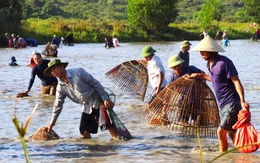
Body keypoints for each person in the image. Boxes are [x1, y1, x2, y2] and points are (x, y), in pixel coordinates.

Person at [190, 35, 249, 152]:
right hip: (222, 104)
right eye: (200, 52)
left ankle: (222, 157)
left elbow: (236, 81)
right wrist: (200, 76)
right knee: (232, 133)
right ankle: (241, 153)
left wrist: (242, 100)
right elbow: (215, 79)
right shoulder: (210, 64)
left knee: (220, 131)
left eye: (204, 51)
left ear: (212, 51)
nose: (201, 54)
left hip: (232, 103)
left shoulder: (224, 62)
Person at [43, 59, 117, 139]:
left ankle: (117, 142)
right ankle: (90, 149)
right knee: (83, 130)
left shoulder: (78, 72)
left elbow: (95, 83)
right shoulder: (60, 87)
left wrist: (105, 98)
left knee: (108, 124)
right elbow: (58, 105)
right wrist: (51, 123)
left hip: (99, 100)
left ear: (62, 67)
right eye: (51, 71)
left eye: (55, 68)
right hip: (87, 106)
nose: (54, 72)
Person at [167, 55, 205, 126]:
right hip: (183, 100)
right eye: (174, 67)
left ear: (181, 64)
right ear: (171, 68)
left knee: (198, 121)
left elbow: (203, 74)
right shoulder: (172, 76)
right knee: (183, 121)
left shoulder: (190, 69)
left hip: (195, 98)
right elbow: (168, 87)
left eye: (178, 66)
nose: (176, 68)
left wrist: (202, 85)